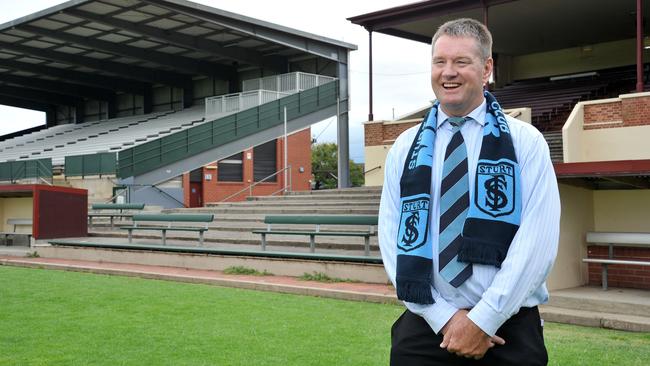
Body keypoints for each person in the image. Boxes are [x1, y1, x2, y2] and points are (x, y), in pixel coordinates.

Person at [378, 18, 560, 365]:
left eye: (461, 62)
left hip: (507, 331)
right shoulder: (405, 148)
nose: (449, 72)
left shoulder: (525, 143)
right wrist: (445, 318)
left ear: (487, 67)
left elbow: (536, 243)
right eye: (440, 62)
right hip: (426, 328)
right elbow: (392, 239)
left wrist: (483, 319)